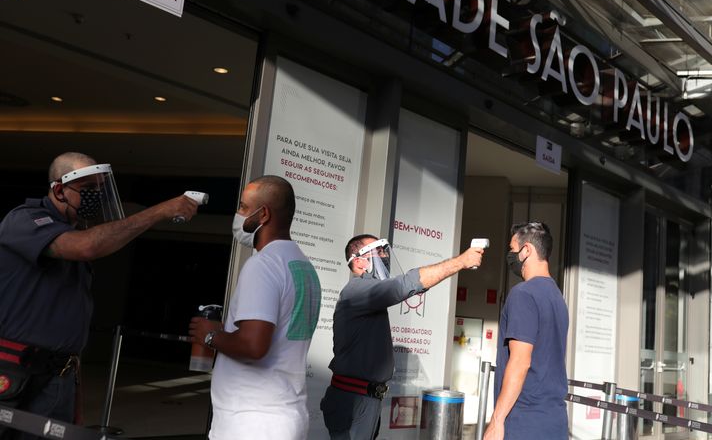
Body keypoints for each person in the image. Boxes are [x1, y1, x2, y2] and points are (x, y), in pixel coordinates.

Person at [0, 152, 199, 439]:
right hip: (16, 370)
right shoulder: (26, 221)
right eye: (87, 189)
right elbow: (86, 247)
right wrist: (159, 211)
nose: (95, 196)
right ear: (59, 189)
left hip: (59, 374)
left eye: (99, 189)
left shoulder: (73, 229)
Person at [188, 175, 321, 440]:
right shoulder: (302, 266)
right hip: (283, 414)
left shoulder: (263, 265)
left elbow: (253, 346)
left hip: (251, 421)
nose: (238, 214)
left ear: (264, 214)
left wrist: (210, 334)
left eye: (243, 207)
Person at [320, 234, 485, 439]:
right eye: (378, 251)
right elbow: (405, 285)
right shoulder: (357, 290)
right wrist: (461, 261)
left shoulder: (368, 293)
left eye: (384, 250)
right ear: (359, 260)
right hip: (354, 400)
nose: (384, 256)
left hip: (364, 399)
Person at [483, 222, 569, 440]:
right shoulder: (557, 298)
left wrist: (496, 421)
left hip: (524, 423)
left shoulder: (523, 294)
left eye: (512, 250)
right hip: (555, 422)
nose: (510, 256)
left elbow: (521, 362)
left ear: (527, 250)